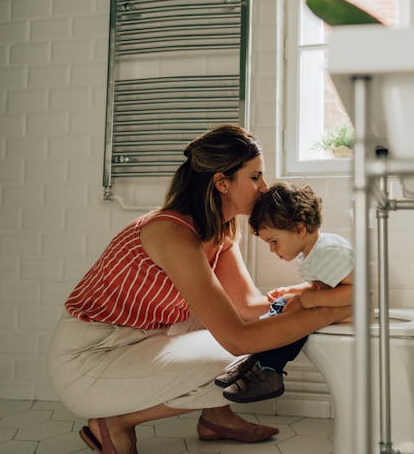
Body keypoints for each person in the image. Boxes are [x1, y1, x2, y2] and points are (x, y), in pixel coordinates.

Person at [48, 125, 351, 454]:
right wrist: (331, 311)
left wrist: (313, 294)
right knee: (248, 352)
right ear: (222, 182)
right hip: (91, 358)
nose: (264, 188)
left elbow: (250, 308)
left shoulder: (220, 232)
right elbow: (239, 339)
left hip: (142, 342)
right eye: (255, 177)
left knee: (242, 328)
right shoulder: (172, 233)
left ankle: (216, 417)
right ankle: (116, 421)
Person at [214, 182, 354, 403]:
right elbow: (326, 284)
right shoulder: (314, 251)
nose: (272, 249)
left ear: (299, 229)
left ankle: (270, 369)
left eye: (273, 242)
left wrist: (313, 298)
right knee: (281, 304)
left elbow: (357, 293)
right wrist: (295, 290)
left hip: (352, 312)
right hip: (336, 305)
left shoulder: (329, 251)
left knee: (293, 309)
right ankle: (258, 359)